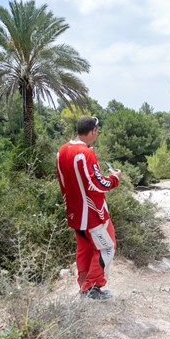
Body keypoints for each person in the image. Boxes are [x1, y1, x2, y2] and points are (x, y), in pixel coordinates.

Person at [56, 116, 122, 300]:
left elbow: (62, 182)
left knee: (84, 249)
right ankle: (91, 288)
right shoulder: (85, 153)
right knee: (107, 247)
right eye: (97, 131)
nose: (97, 134)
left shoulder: (61, 151)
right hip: (93, 213)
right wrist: (115, 178)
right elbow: (97, 183)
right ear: (92, 131)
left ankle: (84, 286)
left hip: (74, 212)